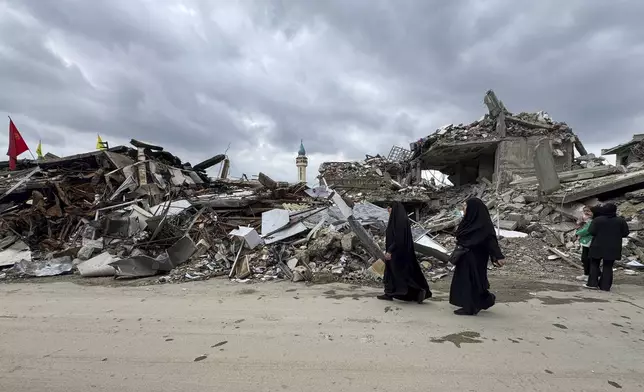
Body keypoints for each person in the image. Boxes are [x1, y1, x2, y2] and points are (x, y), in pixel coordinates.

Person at [449, 197, 504, 316]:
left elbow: (491, 241)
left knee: (472, 281)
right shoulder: (468, 221)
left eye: (465, 207)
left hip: (477, 258)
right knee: (470, 281)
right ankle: (485, 300)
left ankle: (470, 307)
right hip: (464, 257)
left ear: (473, 209)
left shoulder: (483, 225)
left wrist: (497, 256)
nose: (463, 209)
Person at [377, 201, 432, 303]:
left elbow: (399, 238)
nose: (388, 210)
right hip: (401, 252)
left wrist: (390, 251)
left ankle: (418, 291)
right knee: (399, 274)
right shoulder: (400, 219)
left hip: (396, 253)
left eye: (390, 208)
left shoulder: (399, 221)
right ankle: (391, 293)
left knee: (398, 275)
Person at [587, 203, 629, 291]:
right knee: (608, 266)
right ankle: (605, 286)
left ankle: (592, 284)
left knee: (594, 264)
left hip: (597, 245)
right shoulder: (621, 221)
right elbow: (625, 233)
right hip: (613, 247)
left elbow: (591, 232)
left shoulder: (597, 220)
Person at [575, 206, 594, 281]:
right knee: (585, 258)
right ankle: (586, 274)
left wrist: (578, 233)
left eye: (588, 211)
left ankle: (589, 275)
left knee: (587, 259)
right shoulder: (586, 221)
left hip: (590, 241)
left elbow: (586, 230)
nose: (586, 213)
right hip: (586, 242)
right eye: (585, 211)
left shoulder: (592, 221)